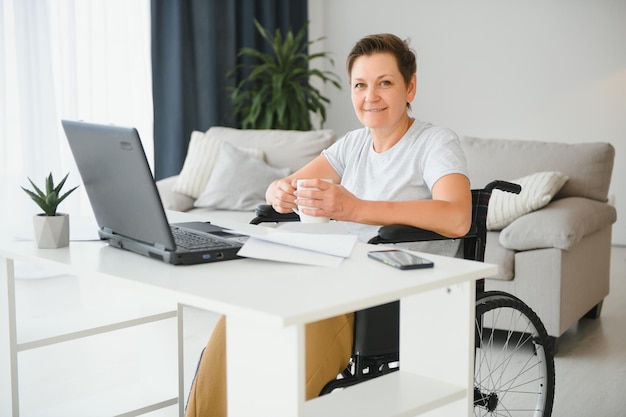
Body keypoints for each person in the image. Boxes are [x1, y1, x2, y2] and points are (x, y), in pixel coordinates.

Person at [185, 33, 471, 417]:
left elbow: (457, 216)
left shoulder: (434, 143)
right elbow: (287, 184)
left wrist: (357, 209)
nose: (371, 96)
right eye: (360, 85)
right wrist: (278, 192)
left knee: (276, 377)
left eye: (385, 83)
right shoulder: (352, 145)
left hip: (386, 296)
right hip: (333, 276)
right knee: (241, 318)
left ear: (410, 86)